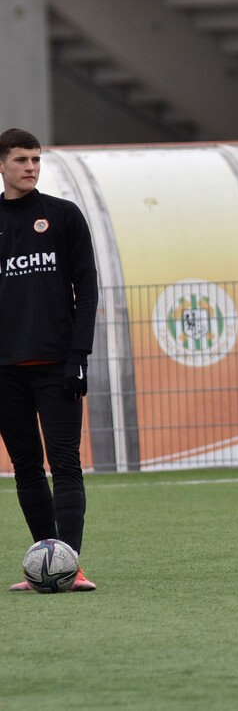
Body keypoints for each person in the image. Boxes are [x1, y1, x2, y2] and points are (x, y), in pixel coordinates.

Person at [0, 128, 99, 591]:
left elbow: (88, 289)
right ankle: (46, 565)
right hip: (4, 370)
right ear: (2, 165)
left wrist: (79, 355)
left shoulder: (63, 216)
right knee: (25, 466)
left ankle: (70, 566)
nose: (31, 167)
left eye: (36, 160)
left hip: (58, 365)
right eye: (21, 160)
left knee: (65, 463)